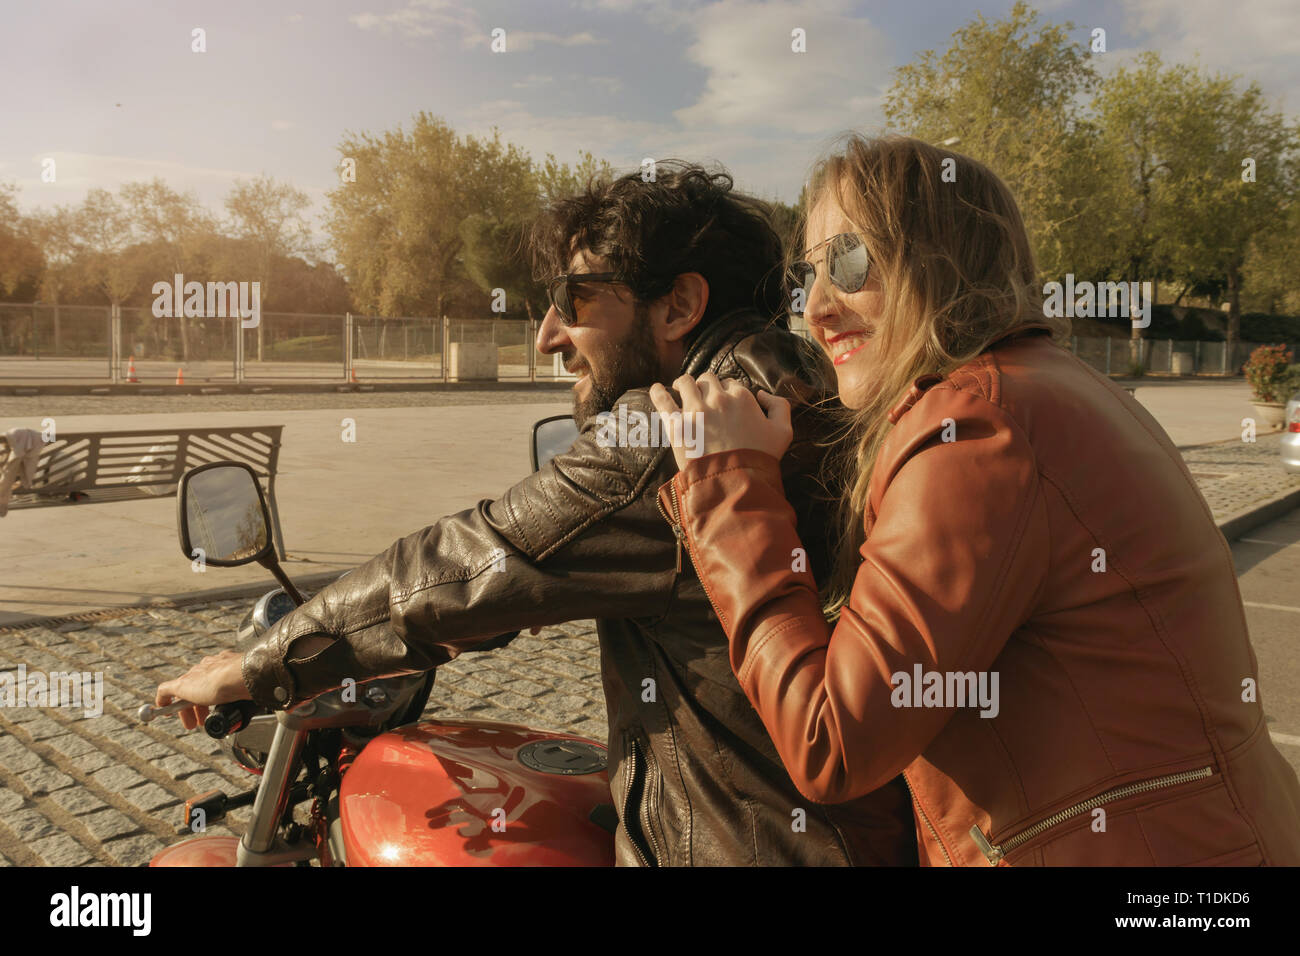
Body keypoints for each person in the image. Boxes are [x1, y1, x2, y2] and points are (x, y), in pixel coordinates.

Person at [156, 162, 916, 866]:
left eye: (573, 300)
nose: (550, 334)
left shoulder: (675, 430)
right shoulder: (813, 382)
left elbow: (460, 563)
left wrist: (256, 666)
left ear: (680, 305)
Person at [649, 134, 1300, 866]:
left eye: (850, 261)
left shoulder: (977, 427)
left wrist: (728, 485)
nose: (819, 307)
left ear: (941, 258)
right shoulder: (1052, 384)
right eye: (807, 276)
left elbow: (832, 740)